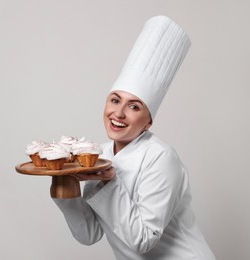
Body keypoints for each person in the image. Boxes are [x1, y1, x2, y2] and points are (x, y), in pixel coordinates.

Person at [52, 16, 216, 259]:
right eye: (115, 100)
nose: (118, 113)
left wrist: (109, 182)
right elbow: (90, 234)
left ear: (148, 121)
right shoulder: (101, 155)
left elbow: (143, 240)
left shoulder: (161, 158)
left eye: (134, 106)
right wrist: (64, 186)